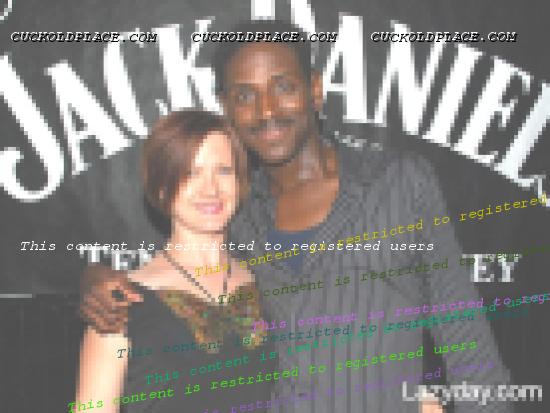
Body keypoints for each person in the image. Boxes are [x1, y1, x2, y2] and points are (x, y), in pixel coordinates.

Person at [80, 20, 512, 413]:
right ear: (226, 107)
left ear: (315, 90)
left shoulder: (400, 183)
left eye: (283, 86)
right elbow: (172, 273)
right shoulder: (237, 216)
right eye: (245, 96)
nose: (267, 110)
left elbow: (468, 344)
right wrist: (91, 278)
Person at [75, 110, 272, 413]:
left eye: (223, 171)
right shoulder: (117, 305)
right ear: (161, 186)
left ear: (241, 182)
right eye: (191, 173)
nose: (211, 189)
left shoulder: (269, 281)